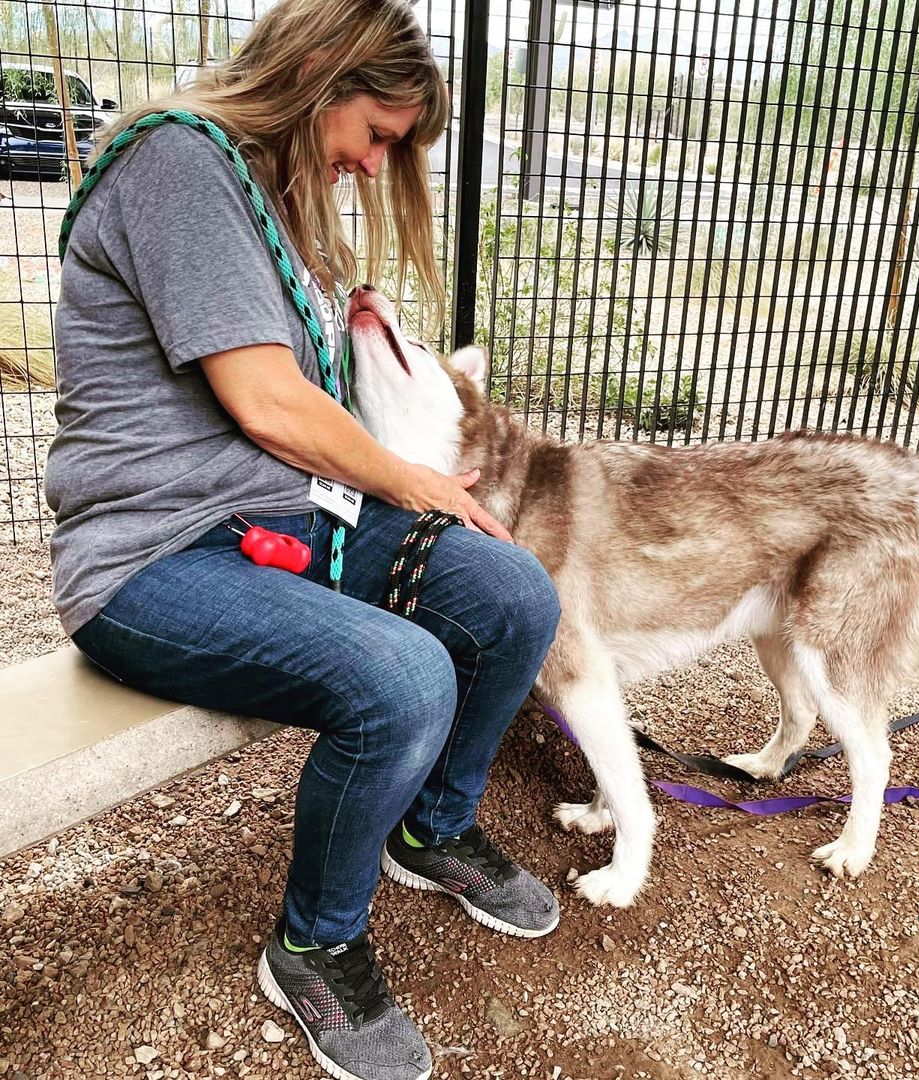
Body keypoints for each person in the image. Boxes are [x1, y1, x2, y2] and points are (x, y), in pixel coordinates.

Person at [44, 1, 561, 1078]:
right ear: (322, 68)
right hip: (153, 558)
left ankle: (432, 828)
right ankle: (315, 947)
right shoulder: (178, 163)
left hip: (279, 523)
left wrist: (417, 484)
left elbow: (307, 423)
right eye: (377, 134)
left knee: (513, 592)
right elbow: (270, 404)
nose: (375, 166)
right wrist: (413, 483)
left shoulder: (267, 195)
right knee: (405, 678)